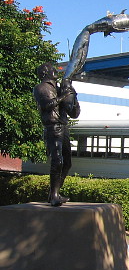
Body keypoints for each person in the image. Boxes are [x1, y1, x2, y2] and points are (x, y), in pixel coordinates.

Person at [33, 63, 80, 206]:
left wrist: (73, 97)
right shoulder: (41, 88)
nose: (55, 70)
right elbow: (46, 105)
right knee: (57, 160)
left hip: (63, 127)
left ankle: (54, 194)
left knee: (67, 162)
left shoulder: (60, 89)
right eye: (52, 69)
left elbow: (74, 114)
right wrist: (63, 96)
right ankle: (54, 196)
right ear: (45, 73)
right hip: (52, 127)